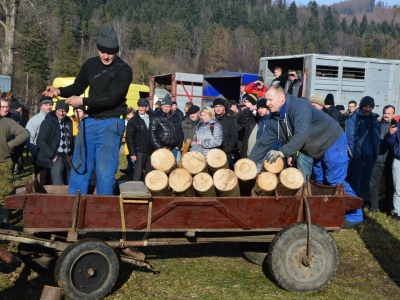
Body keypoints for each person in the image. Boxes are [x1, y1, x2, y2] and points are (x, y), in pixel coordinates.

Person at [248, 85, 360, 229]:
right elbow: (262, 143)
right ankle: (329, 214)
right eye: (266, 100)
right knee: (320, 182)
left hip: (332, 141)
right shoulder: (274, 120)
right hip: (316, 148)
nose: (267, 103)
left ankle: (354, 216)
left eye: (270, 100)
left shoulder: (299, 107)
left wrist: (282, 152)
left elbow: (301, 135)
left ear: (282, 98)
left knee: (335, 179)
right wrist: (249, 162)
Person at [42, 26, 133, 195]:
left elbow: (112, 98)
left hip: (112, 123)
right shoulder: (90, 64)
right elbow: (78, 86)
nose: (105, 56)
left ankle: (102, 213)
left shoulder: (124, 70)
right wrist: (59, 91)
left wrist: (82, 100)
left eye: (110, 53)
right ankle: (74, 209)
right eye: (102, 51)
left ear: (116, 51)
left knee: (105, 171)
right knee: (80, 166)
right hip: (89, 121)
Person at [346, 96, 379, 218]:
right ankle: (353, 212)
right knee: (355, 185)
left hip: (371, 158)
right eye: (366, 106)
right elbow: (350, 139)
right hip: (359, 159)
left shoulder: (374, 119)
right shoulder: (354, 119)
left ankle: (360, 209)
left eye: (370, 106)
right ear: (361, 106)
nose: (368, 109)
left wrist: (376, 153)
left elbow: (376, 138)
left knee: (365, 185)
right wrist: (356, 156)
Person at [0, 112, 29, 228]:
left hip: (4, 163)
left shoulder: (7, 122)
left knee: (5, 193)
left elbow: (24, 133)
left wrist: (9, 145)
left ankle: (5, 221)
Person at [36, 100, 72, 185]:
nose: (61, 113)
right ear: (55, 110)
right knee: (57, 182)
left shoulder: (68, 121)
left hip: (67, 156)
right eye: (59, 110)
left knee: (69, 181)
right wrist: (52, 155)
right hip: (56, 155)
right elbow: (40, 140)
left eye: (64, 111)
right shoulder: (48, 122)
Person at [368, 105, 395, 213]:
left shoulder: (396, 127)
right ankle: (374, 207)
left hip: (390, 160)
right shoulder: (376, 126)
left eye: (389, 113)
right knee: (373, 184)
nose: (386, 115)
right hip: (377, 159)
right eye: (385, 113)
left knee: (390, 185)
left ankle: (387, 207)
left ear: (393, 114)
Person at [25, 96, 54, 185]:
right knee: (41, 180)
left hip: (53, 154)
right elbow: (28, 138)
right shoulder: (34, 120)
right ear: (41, 106)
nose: (49, 107)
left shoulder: (55, 118)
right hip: (40, 155)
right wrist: (36, 152)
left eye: (50, 105)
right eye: (46, 105)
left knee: (52, 179)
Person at [126, 98, 153, 181]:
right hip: (139, 151)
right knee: (137, 174)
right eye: (139, 106)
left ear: (147, 107)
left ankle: (149, 190)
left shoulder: (152, 118)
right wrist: (133, 153)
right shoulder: (133, 121)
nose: (141, 108)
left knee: (150, 174)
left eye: (143, 106)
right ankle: (136, 191)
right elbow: (129, 138)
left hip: (150, 151)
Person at [150, 94, 183, 161]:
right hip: (162, 148)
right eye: (164, 106)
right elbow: (152, 134)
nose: (166, 108)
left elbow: (180, 131)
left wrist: (179, 145)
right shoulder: (156, 117)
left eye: (168, 106)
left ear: (171, 107)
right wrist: (159, 148)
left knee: (173, 168)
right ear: (161, 106)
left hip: (174, 148)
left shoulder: (176, 117)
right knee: (162, 168)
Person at [213, 95, 238, 169]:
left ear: (224, 107)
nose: (218, 109)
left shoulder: (229, 120)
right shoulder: (211, 120)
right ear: (214, 108)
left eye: (220, 106)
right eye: (216, 106)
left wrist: (227, 149)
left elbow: (234, 136)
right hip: (212, 153)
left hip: (225, 153)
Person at [385, 116, 400, 221]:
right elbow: (390, 142)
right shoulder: (397, 126)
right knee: (398, 188)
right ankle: (397, 212)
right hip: (398, 160)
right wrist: (390, 134)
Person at [237, 94, 258, 158]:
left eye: (248, 102)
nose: (246, 104)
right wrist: (249, 110)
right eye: (245, 102)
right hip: (248, 150)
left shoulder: (257, 115)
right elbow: (240, 120)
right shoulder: (248, 114)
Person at [121, 107, 135, 179]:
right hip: (128, 149)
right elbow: (123, 137)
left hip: (135, 148)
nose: (130, 120)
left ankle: (135, 179)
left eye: (131, 118)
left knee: (134, 165)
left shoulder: (136, 123)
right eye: (128, 118)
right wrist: (124, 139)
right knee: (131, 164)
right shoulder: (125, 125)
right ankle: (131, 178)